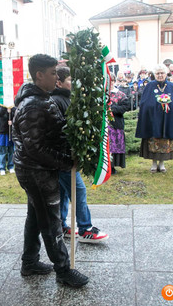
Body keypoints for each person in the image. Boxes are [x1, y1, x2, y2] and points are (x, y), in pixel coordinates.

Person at [13, 54, 89, 288]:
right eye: (54, 73)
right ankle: (63, 270)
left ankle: (30, 262)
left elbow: (50, 136)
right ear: (39, 75)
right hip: (36, 171)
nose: (57, 78)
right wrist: (66, 162)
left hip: (37, 169)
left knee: (36, 217)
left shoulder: (40, 99)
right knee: (51, 221)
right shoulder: (34, 104)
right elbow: (35, 148)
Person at [51, 66, 109, 243]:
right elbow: (61, 130)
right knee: (79, 190)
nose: (74, 84)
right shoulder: (57, 100)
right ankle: (86, 229)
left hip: (62, 157)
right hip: (63, 157)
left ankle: (61, 224)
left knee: (63, 192)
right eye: (70, 80)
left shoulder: (67, 99)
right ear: (59, 82)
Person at [136, 64, 173, 173]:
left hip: (168, 120)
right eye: (158, 73)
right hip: (153, 120)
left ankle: (162, 163)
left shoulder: (171, 86)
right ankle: (153, 163)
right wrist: (156, 105)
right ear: (154, 75)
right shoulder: (150, 86)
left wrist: (169, 103)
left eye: (162, 73)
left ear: (166, 74)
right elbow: (144, 103)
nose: (160, 75)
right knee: (153, 141)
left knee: (165, 141)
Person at [109, 74, 130, 174]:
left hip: (116, 123)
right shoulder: (101, 94)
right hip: (104, 125)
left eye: (112, 81)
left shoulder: (120, 94)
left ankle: (113, 166)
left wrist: (112, 109)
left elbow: (125, 107)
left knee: (115, 145)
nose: (110, 83)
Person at [0, 104, 15, 176]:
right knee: (2, 151)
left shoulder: (11, 104)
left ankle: (11, 166)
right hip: (2, 131)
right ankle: (2, 168)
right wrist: (5, 108)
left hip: (10, 131)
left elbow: (16, 113)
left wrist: (12, 119)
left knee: (11, 150)